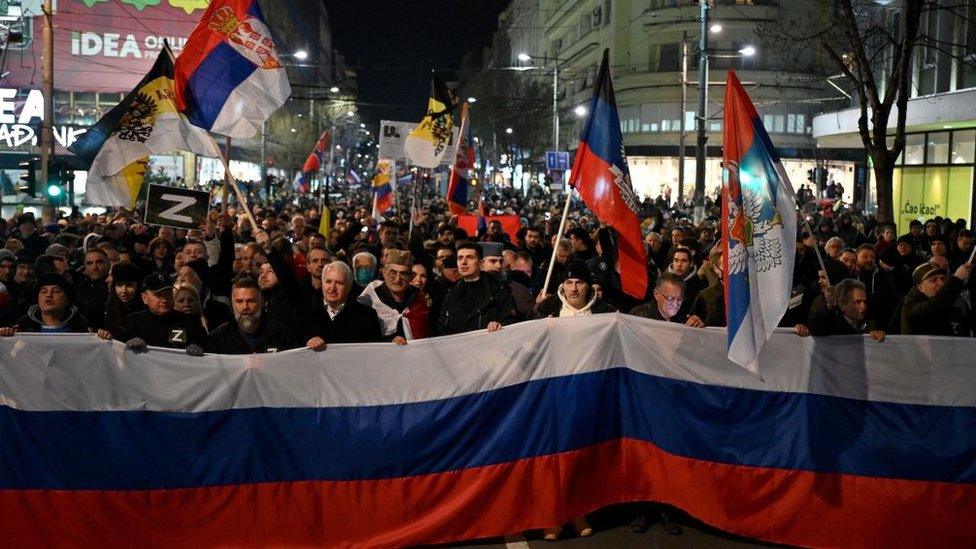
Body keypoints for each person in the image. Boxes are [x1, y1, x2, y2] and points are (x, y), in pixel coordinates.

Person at [116, 272, 208, 355]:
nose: (164, 300)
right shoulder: (131, 323)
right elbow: (115, 350)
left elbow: (210, 348)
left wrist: (199, 347)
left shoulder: (190, 323)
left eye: (168, 294)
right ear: (144, 298)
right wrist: (127, 343)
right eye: (158, 295)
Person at [437, 241, 517, 335]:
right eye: (460, 258)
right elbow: (442, 328)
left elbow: (512, 323)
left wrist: (500, 325)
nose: (463, 262)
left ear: (480, 263)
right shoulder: (451, 295)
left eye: (470, 257)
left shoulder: (499, 291)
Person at [208, 277, 299, 354]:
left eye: (251, 301)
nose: (245, 307)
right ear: (232, 305)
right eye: (239, 301)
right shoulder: (219, 338)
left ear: (262, 303)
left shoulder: (282, 334)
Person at [305, 261, 383, 349]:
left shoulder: (367, 315)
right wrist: (307, 342)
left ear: (349, 287)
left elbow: (376, 351)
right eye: (328, 282)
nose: (332, 288)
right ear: (322, 284)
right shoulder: (304, 312)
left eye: (339, 283)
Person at [357, 250, 431, 343]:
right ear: (384, 273)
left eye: (404, 273)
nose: (398, 279)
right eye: (393, 272)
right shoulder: (369, 300)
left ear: (410, 277)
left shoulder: (418, 299)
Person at [0, 273, 92, 335]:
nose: (49, 295)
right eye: (43, 292)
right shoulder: (23, 327)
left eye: (56, 291)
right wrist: (4, 336)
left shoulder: (82, 328)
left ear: (67, 299)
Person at [901, 262, 973, 336]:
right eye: (933, 280)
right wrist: (956, 279)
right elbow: (933, 308)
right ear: (921, 287)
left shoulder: (951, 301)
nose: (941, 283)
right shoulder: (910, 307)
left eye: (943, 279)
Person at [808, 278, 885, 341]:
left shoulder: (870, 324)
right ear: (843, 304)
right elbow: (815, 330)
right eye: (857, 302)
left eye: (865, 302)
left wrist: (879, 334)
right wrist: (829, 304)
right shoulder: (832, 325)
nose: (863, 307)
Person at [535, 260, 615, 317]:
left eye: (579, 283)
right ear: (563, 286)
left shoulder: (606, 313)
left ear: (588, 286)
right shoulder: (545, 310)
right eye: (569, 283)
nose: (574, 289)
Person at [629, 273, 705, 327]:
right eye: (670, 298)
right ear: (656, 294)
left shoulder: (685, 317)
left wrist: (697, 329)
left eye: (679, 299)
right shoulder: (638, 316)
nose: (675, 304)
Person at [480, 242, 533, 319]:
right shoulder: (465, 291)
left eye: (500, 262)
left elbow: (531, 317)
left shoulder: (518, 291)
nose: (498, 266)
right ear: (480, 264)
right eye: (493, 261)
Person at [101, 262, 145, 338]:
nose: (124, 290)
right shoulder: (104, 310)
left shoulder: (145, 311)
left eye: (129, 285)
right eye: (119, 285)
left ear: (137, 287)